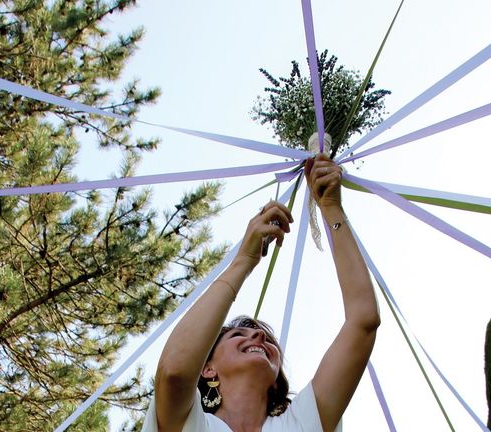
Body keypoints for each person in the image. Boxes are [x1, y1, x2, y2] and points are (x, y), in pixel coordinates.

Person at [142, 154, 380, 432]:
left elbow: (363, 320)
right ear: (207, 369)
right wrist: (243, 260)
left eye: (266, 339)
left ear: (277, 377)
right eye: (237, 335)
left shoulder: (303, 423)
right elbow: (174, 373)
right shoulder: (192, 424)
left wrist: (331, 208)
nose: (258, 336)